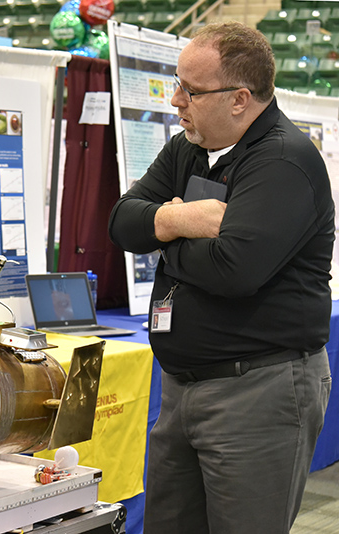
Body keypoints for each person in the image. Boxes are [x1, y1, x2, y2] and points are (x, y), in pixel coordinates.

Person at [108, 22, 333, 534]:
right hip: (183, 388)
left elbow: (235, 270)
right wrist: (179, 220)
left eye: (190, 89)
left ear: (239, 99)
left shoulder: (282, 159)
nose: (175, 100)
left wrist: (162, 248)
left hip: (257, 390)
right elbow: (122, 221)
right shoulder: (188, 146)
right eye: (176, 83)